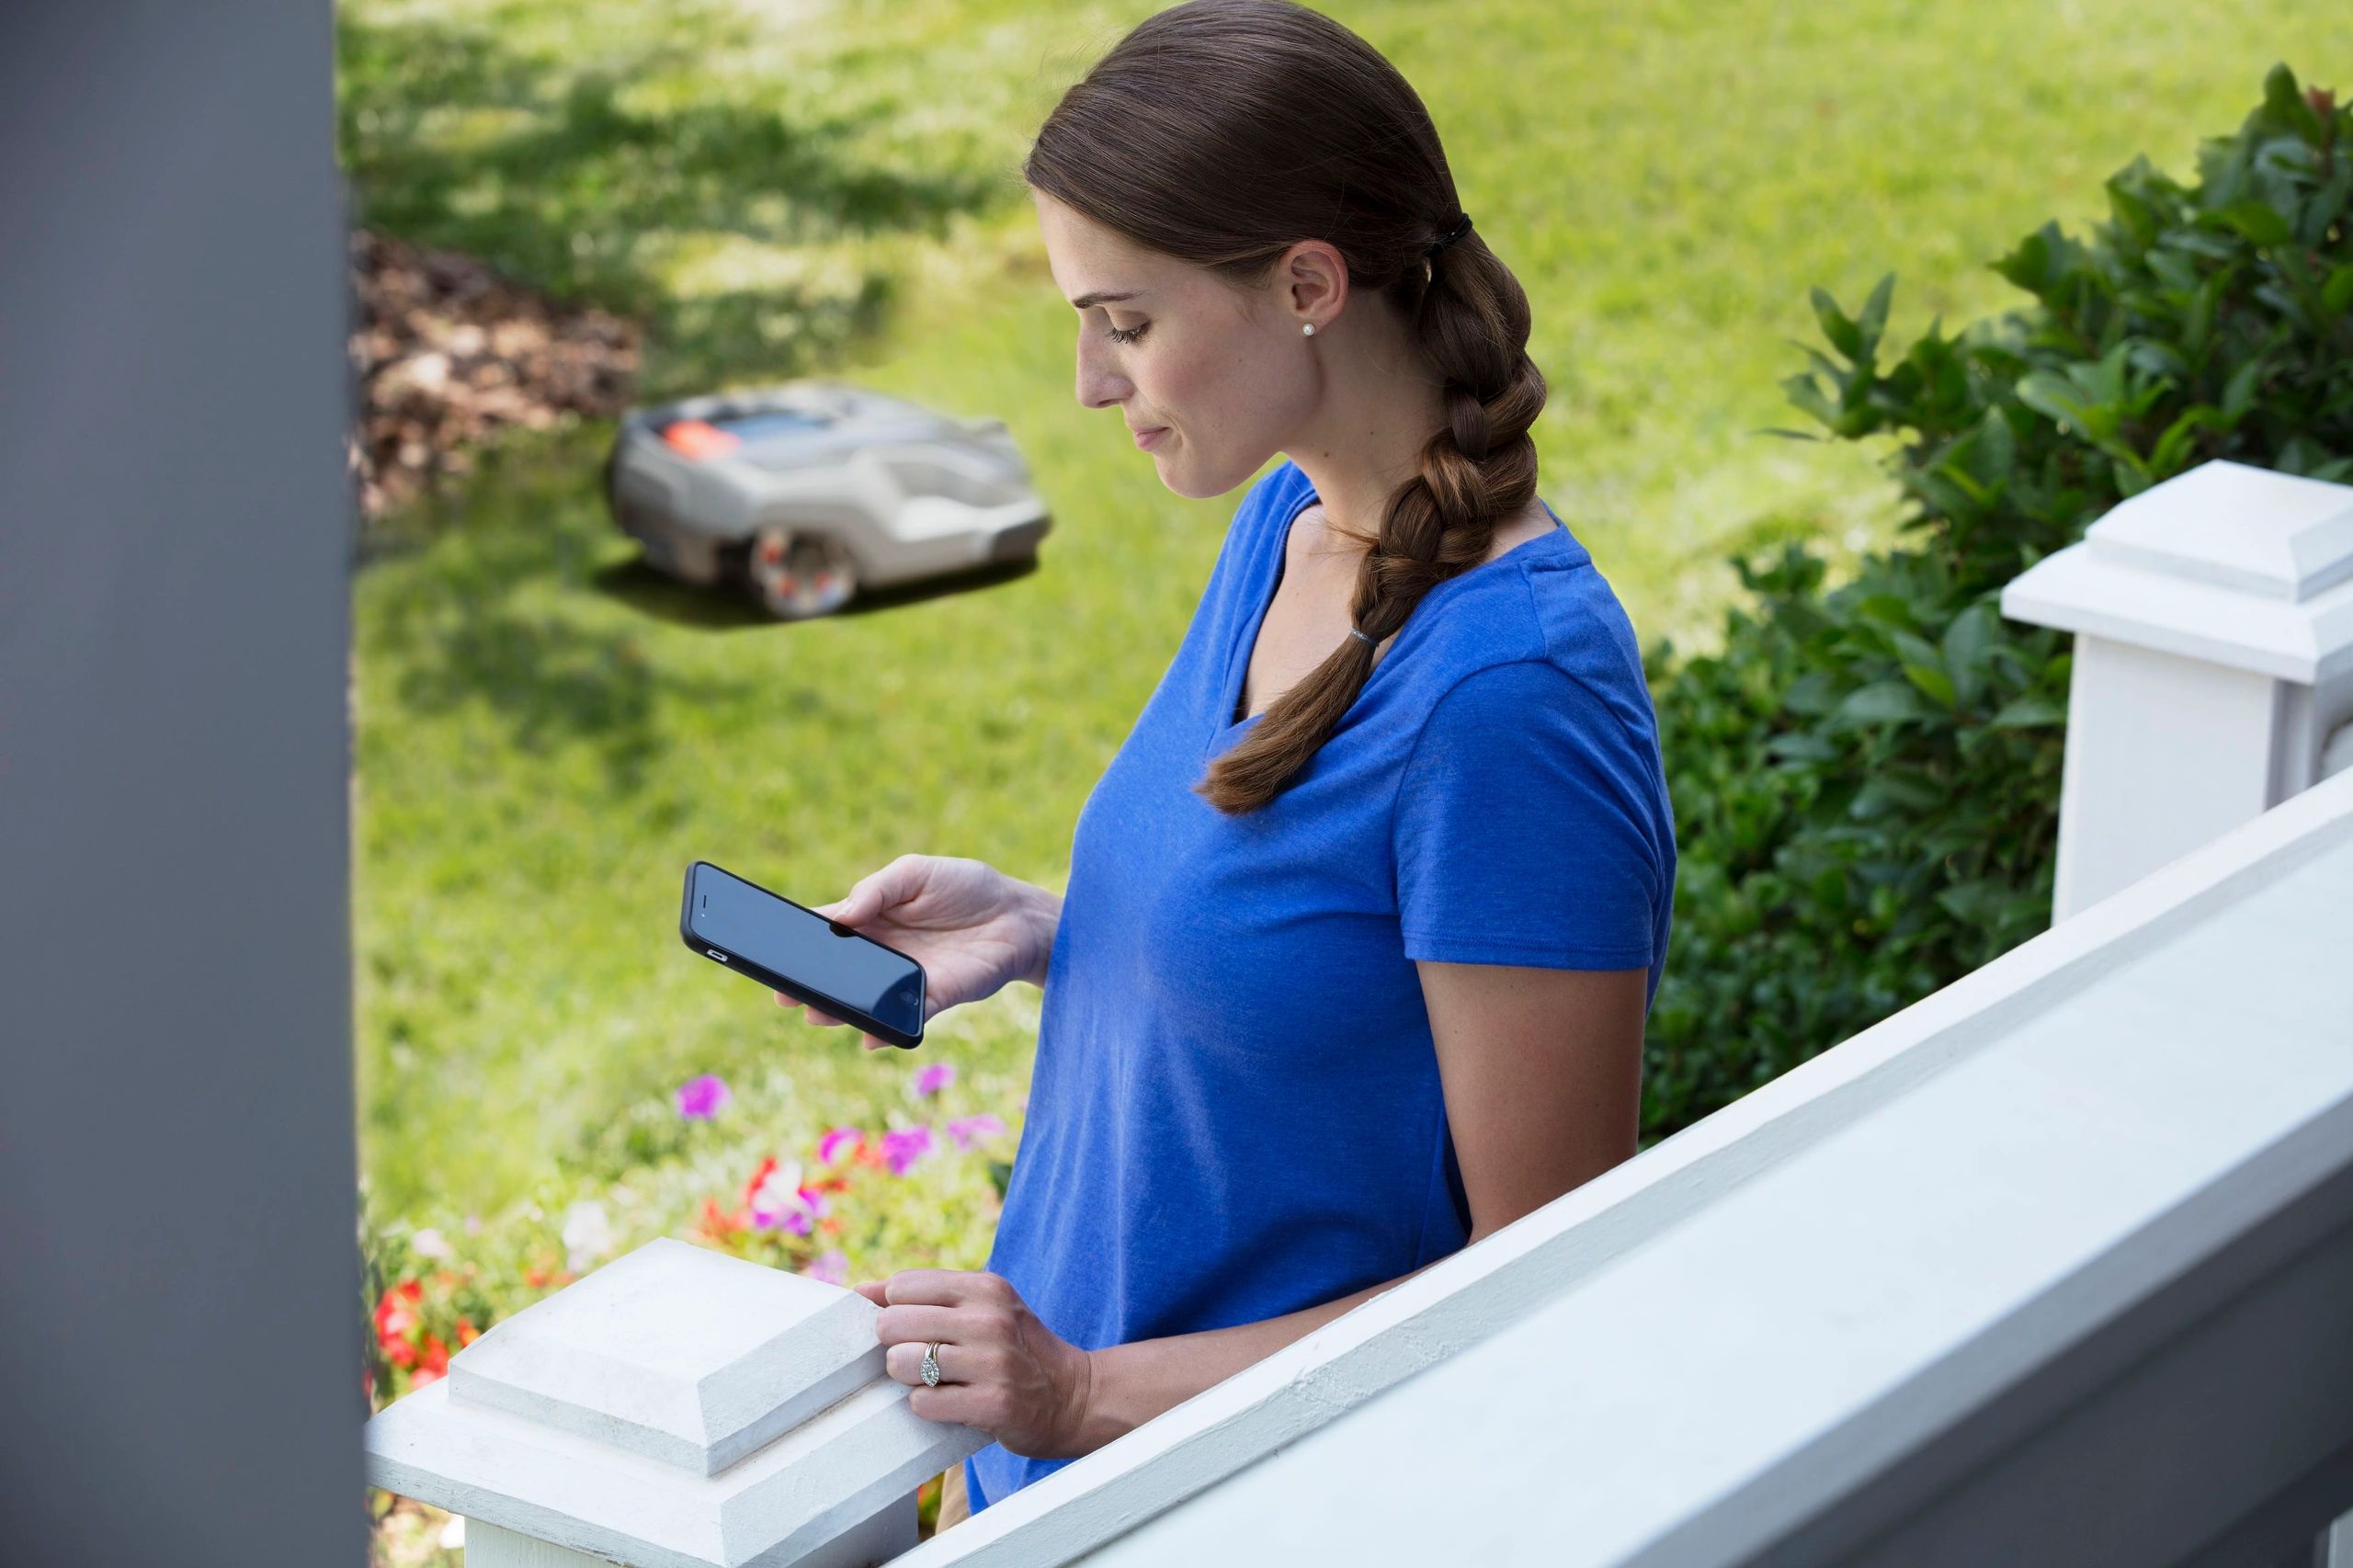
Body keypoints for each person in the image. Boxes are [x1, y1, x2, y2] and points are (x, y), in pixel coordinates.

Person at [779, 0, 1676, 1528]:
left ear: (1308, 285)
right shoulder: (1294, 527)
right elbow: (1321, 956)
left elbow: (1539, 1288)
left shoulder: (1511, 693)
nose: (1087, 381)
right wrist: (1056, 925)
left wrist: (1079, 1393)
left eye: (1126, 322)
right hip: (1063, 1490)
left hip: (1248, 1508)